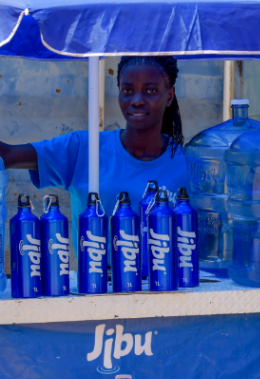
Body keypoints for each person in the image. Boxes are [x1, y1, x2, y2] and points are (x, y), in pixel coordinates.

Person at [0, 55, 189, 253]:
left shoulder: (189, 164)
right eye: (127, 90)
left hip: (167, 273)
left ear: (169, 95)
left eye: (150, 91)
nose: (137, 101)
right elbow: (7, 154)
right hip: (94, 273)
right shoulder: (83, 148)